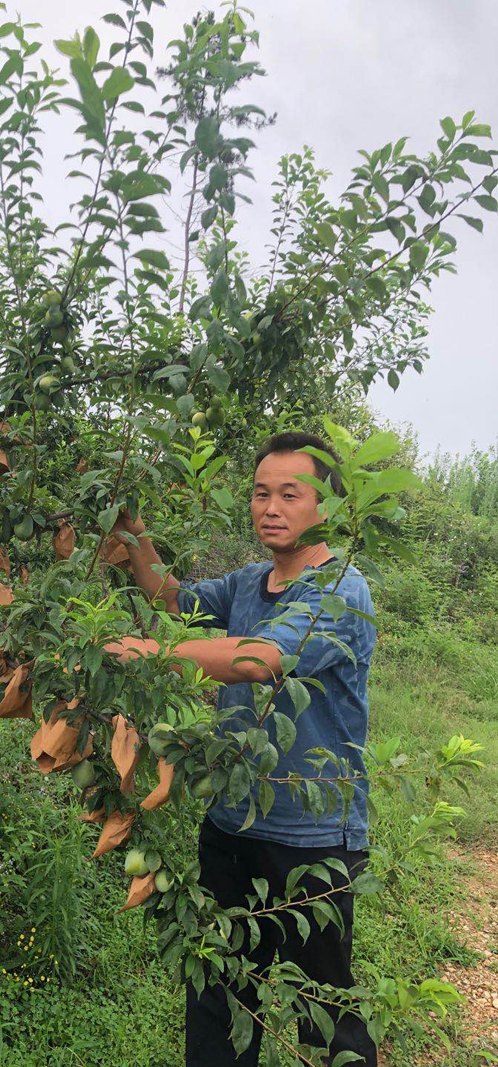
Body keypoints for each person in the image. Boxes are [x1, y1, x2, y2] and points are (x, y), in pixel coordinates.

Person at [106, 431, 378, 1067]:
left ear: (328, 507)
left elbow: (260, 659)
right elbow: (173, 600)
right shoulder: (250, 584)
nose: (270, 507)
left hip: (312, 837)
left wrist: (148, 653)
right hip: (231, 823)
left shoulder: (339, 590)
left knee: (324, 1010)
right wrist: (135, 535)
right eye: (261, 493)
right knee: (218, 989)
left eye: (290, 494)